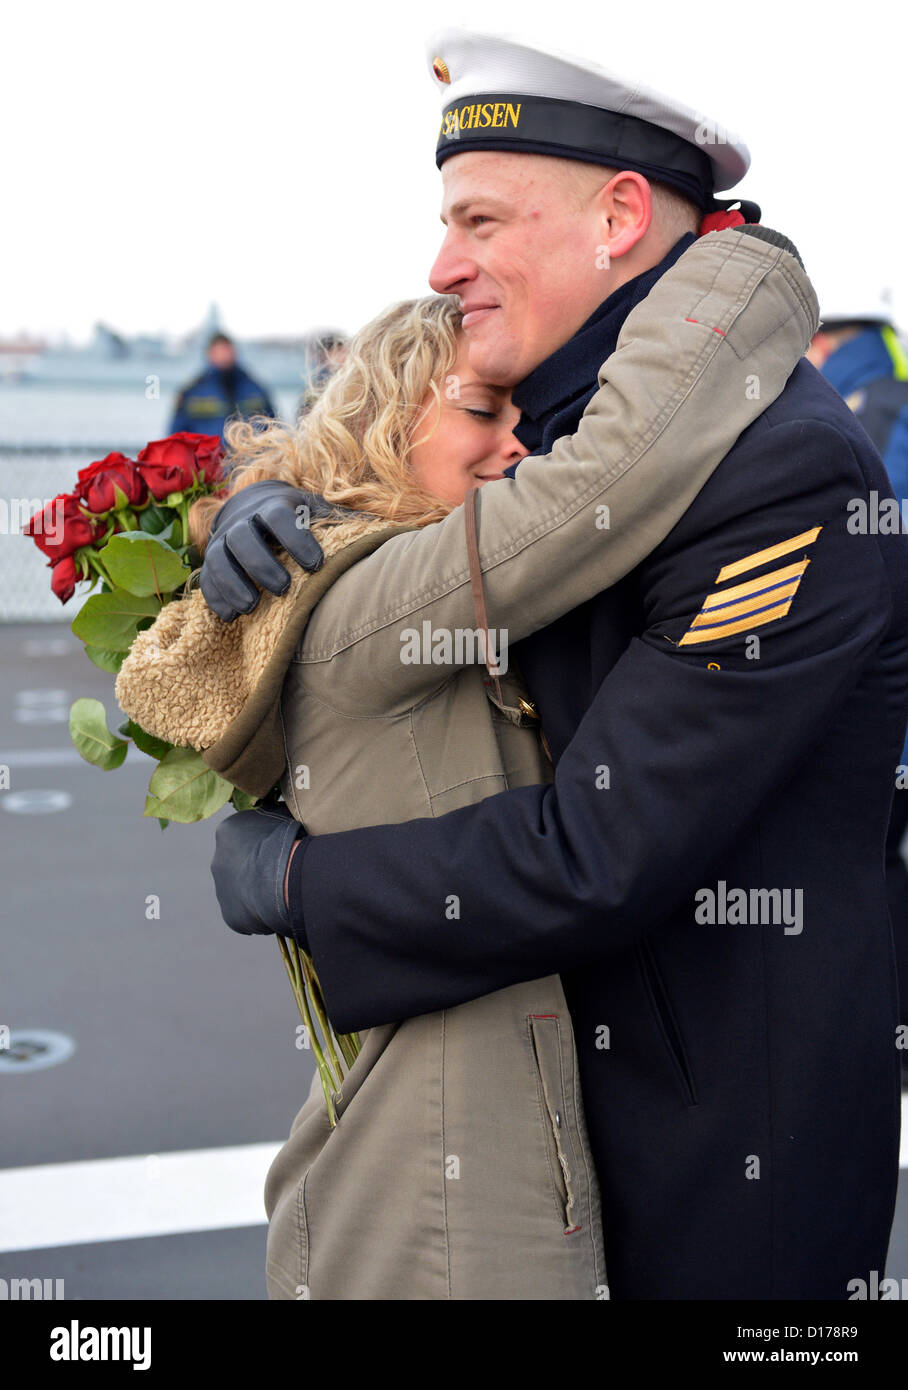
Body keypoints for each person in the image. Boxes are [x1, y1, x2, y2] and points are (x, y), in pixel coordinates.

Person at [203, 30, 908, 1299]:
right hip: (564, 1126)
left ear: (620, 217)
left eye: (478, 218)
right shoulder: (563, 439)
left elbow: (603, 847)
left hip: (718, 1162)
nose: (441, 263)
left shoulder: (778, 470)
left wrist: (306, 881)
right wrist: (287, 517)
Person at [116, 232, 814, 1299]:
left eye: (523, 422)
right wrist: (733, 266)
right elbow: (613, 473)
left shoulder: (394, 590)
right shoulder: (372, 599)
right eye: (482, 414)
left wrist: (249, 500)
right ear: (384, 424)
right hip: (442, 1205)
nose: (516, 449)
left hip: (434, 1165)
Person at [808, 302, 908, 1047]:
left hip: (883, 709)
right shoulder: (886, 398)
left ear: (824, 342)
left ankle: (884, 1037)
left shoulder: (859, 411)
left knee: (867, 871)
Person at [170, 331, 277, 442]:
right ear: (209, 354)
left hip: (252, 457)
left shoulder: (256, 389)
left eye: (227, 350)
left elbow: (275, 429)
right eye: (219, 351)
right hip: (208, 458)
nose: (224, 355)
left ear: (235, 352)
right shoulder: (192, 392)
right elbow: (176, 437)